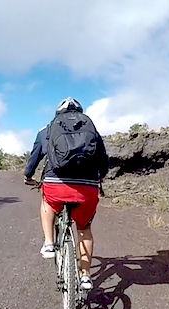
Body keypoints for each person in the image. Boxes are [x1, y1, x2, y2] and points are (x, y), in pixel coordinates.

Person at [24, 97, 109, 291]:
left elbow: (34, 158)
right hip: (87, 188)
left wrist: (28, 177)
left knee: (46, 202)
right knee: (84, 229)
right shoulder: (92, 131)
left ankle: (48, 244)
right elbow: (103, 161)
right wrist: (99, 178)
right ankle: (85, 275)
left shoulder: (46, 130)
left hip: (56, 185)